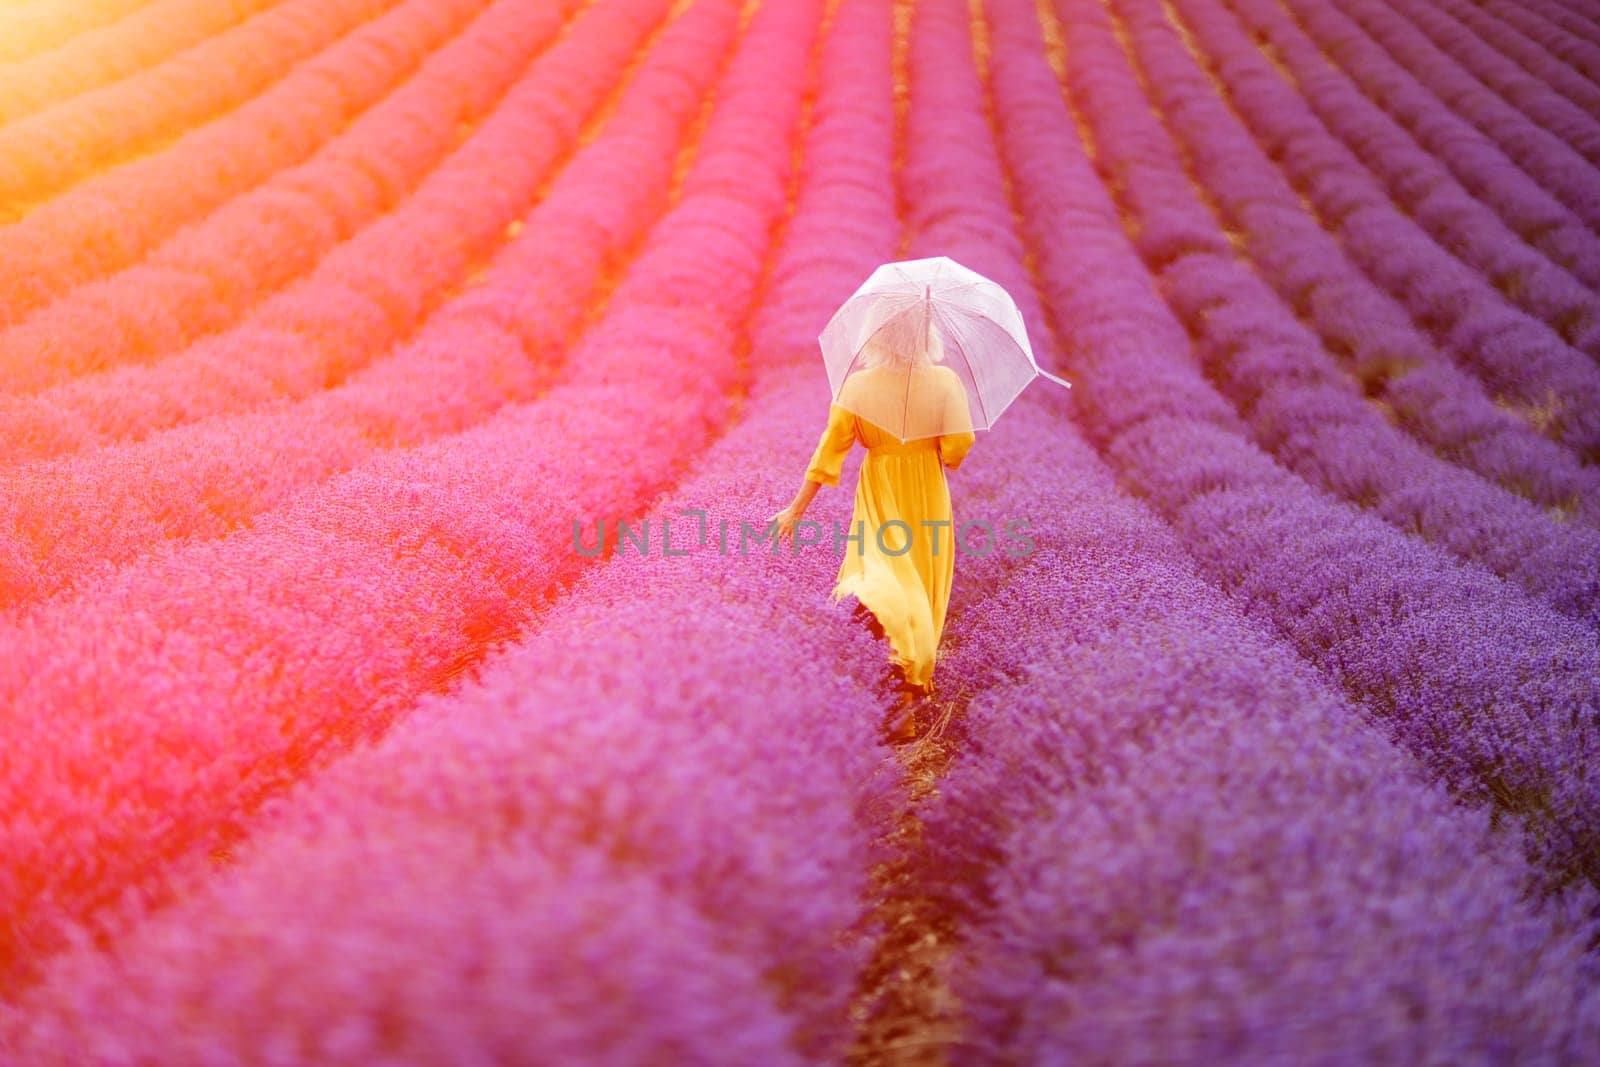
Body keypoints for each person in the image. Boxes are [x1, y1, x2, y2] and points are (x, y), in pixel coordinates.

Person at [768, 302, 976, 738]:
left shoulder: (857, 387)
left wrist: (795, 509)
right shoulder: (945, 381)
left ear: (876, 335)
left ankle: (895, 695)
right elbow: (957, 450)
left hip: (880, 487)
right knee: (917, 582)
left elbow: (828, 454)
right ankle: (906, 692)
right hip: (926, 491)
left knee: (877, 574)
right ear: (925, 335)